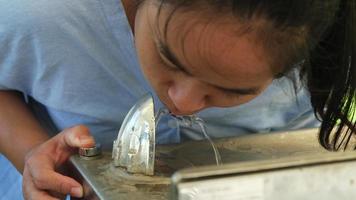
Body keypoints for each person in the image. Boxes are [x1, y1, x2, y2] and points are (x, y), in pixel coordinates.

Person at [0, 0, 354, 199]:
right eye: (168, 58)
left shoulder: (329, 35)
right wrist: (34, 151)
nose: (182, 104)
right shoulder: (38, 13)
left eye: (233, 90)